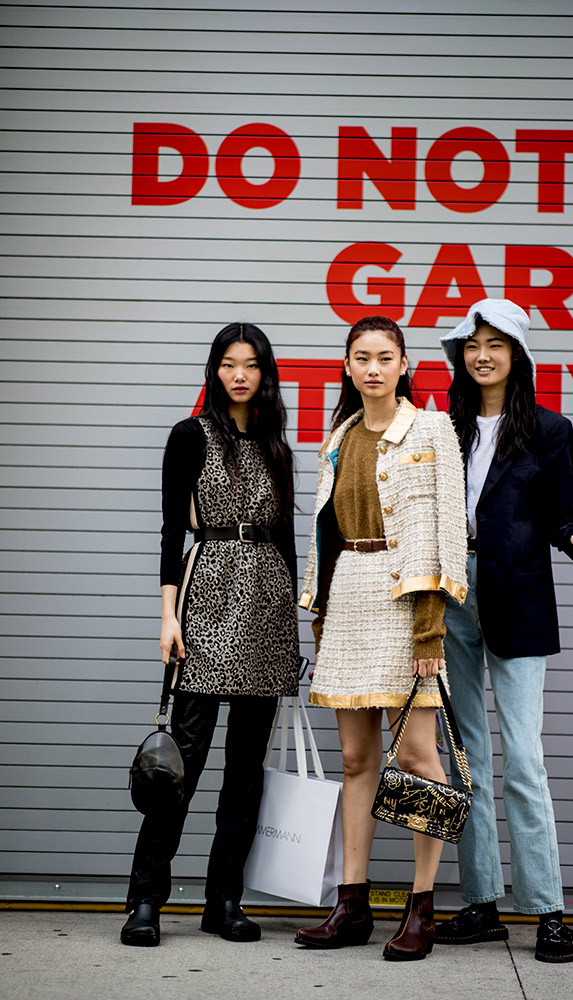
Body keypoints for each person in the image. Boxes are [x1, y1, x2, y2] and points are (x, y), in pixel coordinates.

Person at [121, 322, 300, 947]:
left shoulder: (277, 443)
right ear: (215, 369)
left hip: (269, 609)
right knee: (183, 762)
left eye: (251, 364)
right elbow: (172, 532)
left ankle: (224, 900)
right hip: (208, 595)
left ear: (265, 373)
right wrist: (168, 616)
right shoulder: (189, 435)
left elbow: (287, 541)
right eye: (229, 364)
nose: (240, 375)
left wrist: (296, 628)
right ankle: (145, 900)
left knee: (246, 771)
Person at [294, 315, 468, 961]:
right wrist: (320, 621)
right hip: (349, 602)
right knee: (356, 760)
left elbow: (444, 531)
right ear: (346, 367)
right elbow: (323, 536)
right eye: (361, 357)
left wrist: (430, 631)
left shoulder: (431, 429)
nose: (372, 367)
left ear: (403, 364)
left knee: (418, 758)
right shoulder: (337, 438)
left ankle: (421, 906)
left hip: (405, 605)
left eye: (384, 356)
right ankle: (352, 902)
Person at [435, 298, 573, 963]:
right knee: (465, 756)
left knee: (524, 759)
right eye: (472, 345)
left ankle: (547, 910)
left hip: (520, 599)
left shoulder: (549, 429)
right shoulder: (442, 427)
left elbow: (564, 513)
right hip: (451, 598)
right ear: (459, 356)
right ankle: (479, 902)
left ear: (517, 354)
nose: (482, 355)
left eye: (495, 344)